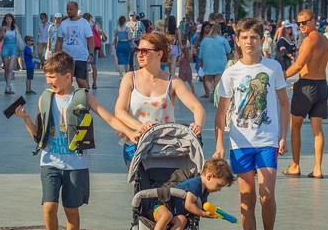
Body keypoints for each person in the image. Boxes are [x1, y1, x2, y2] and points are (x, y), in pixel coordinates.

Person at [13, 51, 138, 230]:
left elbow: (108, 117)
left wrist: (130, 132)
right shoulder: (45, 98)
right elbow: (38, 135)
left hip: (76, 164)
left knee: (71, 211)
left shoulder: (83, 97)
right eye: (47, 77)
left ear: (67, 76)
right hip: (49, 161)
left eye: (53, 77)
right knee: (49, 206)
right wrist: (25, 118)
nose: (49, 82)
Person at [213, 18, 289, 230]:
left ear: (261, 39)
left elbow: (284, 103)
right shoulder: (230, 73)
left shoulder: (273, 67)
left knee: (267, 195)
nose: (249, 42)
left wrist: (283, 136)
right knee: (247, 199)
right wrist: (220, 144)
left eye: (253, 37)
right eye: (244, 37)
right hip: (240, 143)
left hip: (266, 141)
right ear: (237, 40)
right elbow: (222, 111)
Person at [114, 33, 206, 166]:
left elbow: (197, 107)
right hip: (135, 144)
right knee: (140, 183)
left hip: (164, 146)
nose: (140, 54)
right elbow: (119, 111)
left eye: (145, 51)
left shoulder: (172, 81)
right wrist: (141, 127)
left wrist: (198, 125)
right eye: (138, 50)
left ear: (159, 54)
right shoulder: (130, 78)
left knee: (164, 184)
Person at [142, 158, 234, 230]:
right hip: (161, 207)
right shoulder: (195, 185)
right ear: (209, 177)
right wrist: (203, 214)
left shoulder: (205, 191)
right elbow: (189, 205)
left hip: (175, 214)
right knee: (167, 215)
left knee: (183, 220)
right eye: (219, 185)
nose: (219, 189)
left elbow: (201, 206)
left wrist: (213, 212)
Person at [283, 9, 328, 178]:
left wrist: (280, 76)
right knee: (317, 130)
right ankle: (317, 169)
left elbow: (298, 65)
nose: (301, 26)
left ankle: (295, 165)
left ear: (313, 21)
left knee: (294, 126)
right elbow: (317, 64)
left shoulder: (309, 40)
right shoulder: (325, 40)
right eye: (299, 23)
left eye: (305, 22)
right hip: (321, 85)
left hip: (307, 87)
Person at [55, 1, 94, 90]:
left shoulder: (84, 23)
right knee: (67, 80)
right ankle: (68, 99)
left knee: (80, 80)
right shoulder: (64, 24)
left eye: (71, 9)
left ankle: (86, 96)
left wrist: (91, 54)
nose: (69, 11)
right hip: (67, 58)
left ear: (76, 10)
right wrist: (56, 56)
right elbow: (59, 41)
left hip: (81, 57)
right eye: (67, 9)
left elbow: (90, 39)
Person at [199, 24, 230, 100]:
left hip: (208, 62)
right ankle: (216, 94)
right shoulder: (222, 39)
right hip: (221, 62)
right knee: (217, 80)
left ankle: (211, 91)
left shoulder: (205, 40)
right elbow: (228, 50)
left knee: (207, 79)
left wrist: (201, 61)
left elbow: (201, 54)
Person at [0, 13, 22, 95]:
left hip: (13, 48)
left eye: (10, 19)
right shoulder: (2, 28)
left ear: (12, 20)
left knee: (11, 68)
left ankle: (8, 86)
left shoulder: (15, 27)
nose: (8, 21)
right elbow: (0, 39)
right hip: (5, 47)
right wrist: (2, 33)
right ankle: (7, 85)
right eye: (7, 19)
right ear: (5, 20)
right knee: (7, 68)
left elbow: (18, 37)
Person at [83, 12, 105, 89]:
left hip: (85, 47)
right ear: (90, 18)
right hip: (94, 47)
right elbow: (99, 37)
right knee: (93, 65)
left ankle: (87, 83)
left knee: (85, 66)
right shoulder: (95, 26)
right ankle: (94, 83)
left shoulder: (83, 25)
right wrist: (100, 48)